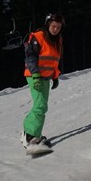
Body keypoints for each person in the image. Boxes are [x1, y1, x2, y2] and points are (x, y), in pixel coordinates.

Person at [21, 13, 64, 150]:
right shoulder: (38, 36)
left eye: (58, 27)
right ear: (48, 25)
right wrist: (35, 75)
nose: (55, 29)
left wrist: (55, 76)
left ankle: (35, 135)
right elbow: (30, 57)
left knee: (42, 106)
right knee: (40, 105)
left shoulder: (57, 40)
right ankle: (29, 136)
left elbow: (54, 60)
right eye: (53, 26)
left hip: (46, 76)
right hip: (35, 75)